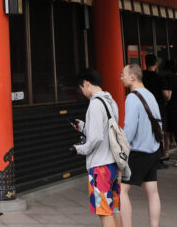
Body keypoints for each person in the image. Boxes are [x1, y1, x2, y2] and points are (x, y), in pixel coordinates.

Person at [71, 68, 123, 227]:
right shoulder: (111, 101)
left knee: (104, 212)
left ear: (86, 84)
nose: (82, 93)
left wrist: (79, 149)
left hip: (100, 167)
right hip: (114, 165)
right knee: (114, 210)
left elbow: (96, 138)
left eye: (81, 89)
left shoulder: (94, 105)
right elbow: (105, 131)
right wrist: (83, 127)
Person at [119, 64, 161, 227]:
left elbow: (129, 127)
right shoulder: (150, 95)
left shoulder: (132, 97)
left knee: (122, 190)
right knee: (152, 191)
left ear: (132, 77)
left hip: (137, 151)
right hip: (152, 150)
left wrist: (121, 147)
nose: (120, 77)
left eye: (123, 74)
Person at [142, 55, 166, 166]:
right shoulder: (159, 77)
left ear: (145, 63)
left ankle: (147, 158)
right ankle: (158, 158)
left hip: (143, 108)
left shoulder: (141, 77)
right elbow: (166, 96)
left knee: (145, 133)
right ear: (156, 64)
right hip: (157, 108)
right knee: (157, 132)